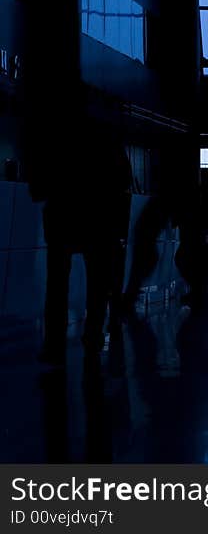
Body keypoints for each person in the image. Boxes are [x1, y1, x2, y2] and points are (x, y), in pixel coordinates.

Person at [27, 117, 132, 365]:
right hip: (99, 221)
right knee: (98, 283)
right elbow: (124, 179)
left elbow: (38, 183)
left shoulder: (54, 140)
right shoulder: (108, 141)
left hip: (62, 218)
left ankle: (54, 343)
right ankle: (93, 335)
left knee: (57, 284)